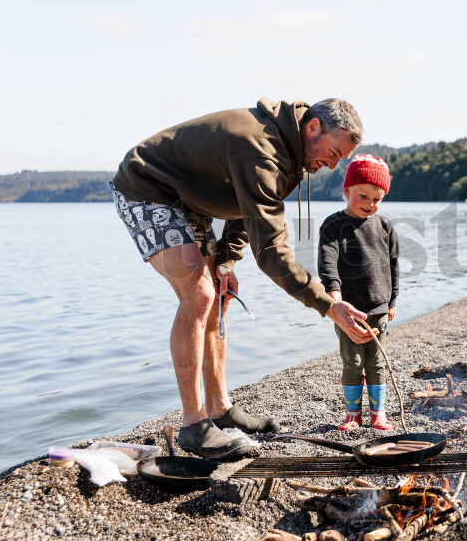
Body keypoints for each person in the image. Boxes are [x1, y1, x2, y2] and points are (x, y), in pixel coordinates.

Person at [111, 98, 375, 460]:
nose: (332, 165)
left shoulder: (292, 154)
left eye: (340, 159)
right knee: (199, 295)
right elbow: (270, 250)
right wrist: (327, 304)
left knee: (219, 295)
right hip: (146, 189)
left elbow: (245, 205)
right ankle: (192, 425)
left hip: (188, 201)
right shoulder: (261, 149)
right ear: (312, 127)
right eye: (333, 152)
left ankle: (219, 409)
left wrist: (228, 260)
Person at [317, 155, 399, 431]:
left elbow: (393, 264)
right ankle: (353, 414)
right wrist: (334, 295)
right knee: (352, 361)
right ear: (346, 191)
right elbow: (327, 263)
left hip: (378, 308)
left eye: (377, 199)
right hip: (348, 311)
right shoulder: (333, 226)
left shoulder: (385, 227)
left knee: (376, 362)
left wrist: (393, 300)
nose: (370, 204)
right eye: (363, 196)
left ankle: (379, 413)